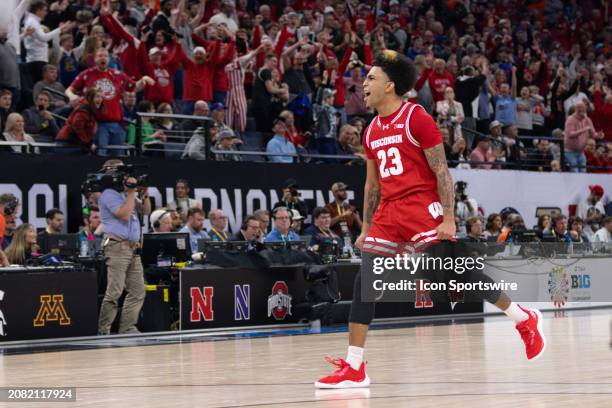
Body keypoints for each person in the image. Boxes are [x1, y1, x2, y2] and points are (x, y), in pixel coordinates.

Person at [315, 51, 544, 389]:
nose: (363, 84)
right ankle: (354, 367)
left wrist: (449, 217)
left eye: (371, 78)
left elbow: (441, 170)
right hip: (389, 211)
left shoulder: (416, 117)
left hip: (423, 204)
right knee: (366, 281)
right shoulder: (371, 131)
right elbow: (371, 184)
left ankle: (522, 317)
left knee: (451, 271)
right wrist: (365, 227)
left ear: (390, 85)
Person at [97, 159, 149, 335]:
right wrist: (132, 192)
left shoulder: (125, 195)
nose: (125, 176)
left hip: (133, 249)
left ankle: (127, 328)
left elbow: (146, 211)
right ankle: (103, 331)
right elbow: (124, 215)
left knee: (137, 291)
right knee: (115, 292)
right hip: (117, 246)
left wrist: (143, 194)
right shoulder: (108, 194)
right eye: (121, 172)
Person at [55, 88, 103, 154]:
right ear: (90, 98)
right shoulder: (83, 110)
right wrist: (88, 144)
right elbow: (77, 126)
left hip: (74, 143)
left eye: (101, 97)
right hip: (67, 143)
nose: (100, 99)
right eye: (97, 96)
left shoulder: (91, 110)